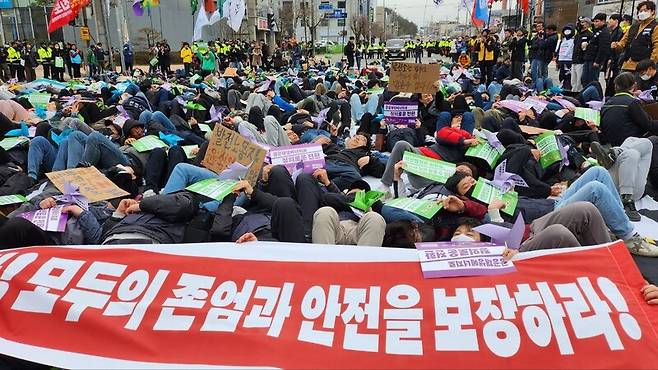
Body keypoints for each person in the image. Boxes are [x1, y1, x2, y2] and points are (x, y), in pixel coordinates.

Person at [612, 1, 658, 72]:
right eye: (640, 11)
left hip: (643, 66)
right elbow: (623, 41)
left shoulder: (655, 26)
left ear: (652, 11)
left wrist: (651, 64)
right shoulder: (633, 26)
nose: (642, 12)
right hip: (627, 63)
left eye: (645, 10)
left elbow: (656, 47)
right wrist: (617, 45)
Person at [582, 13, 611, 86]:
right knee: (584, 79)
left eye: (597, 21)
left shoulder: (604, 32)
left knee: (592, 80)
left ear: (603, 21)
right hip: (588, 58)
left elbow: (603, 48)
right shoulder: (596, 31)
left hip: (594, 60)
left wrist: (598, 61)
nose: (595, 23)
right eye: (594, 21)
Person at [572, 17, 593, 92]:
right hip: (574, 60)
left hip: (581, 60)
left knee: (579, 81)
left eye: (582, 22)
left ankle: (579, 94)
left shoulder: (589, 35)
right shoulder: (578, 35)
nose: (580, 24)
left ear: (587, 24)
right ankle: (573, 93)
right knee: (573, 81)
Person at [606, 14, 625, 96]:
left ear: (616, 21)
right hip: (610, 59)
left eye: (610, 19)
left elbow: (619, 48)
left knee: (613, 80)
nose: (608, 21)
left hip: (615, 60)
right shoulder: (612, 32)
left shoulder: (619, 32)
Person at [557, 24, 575, 90]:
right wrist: (557, 61)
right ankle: (562, 86)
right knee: (561, 75)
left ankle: (568, 88)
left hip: (569, 60)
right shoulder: (563, 40)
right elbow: (559, 49)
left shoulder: (573, 40)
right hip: (561, 60)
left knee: (568, 76)